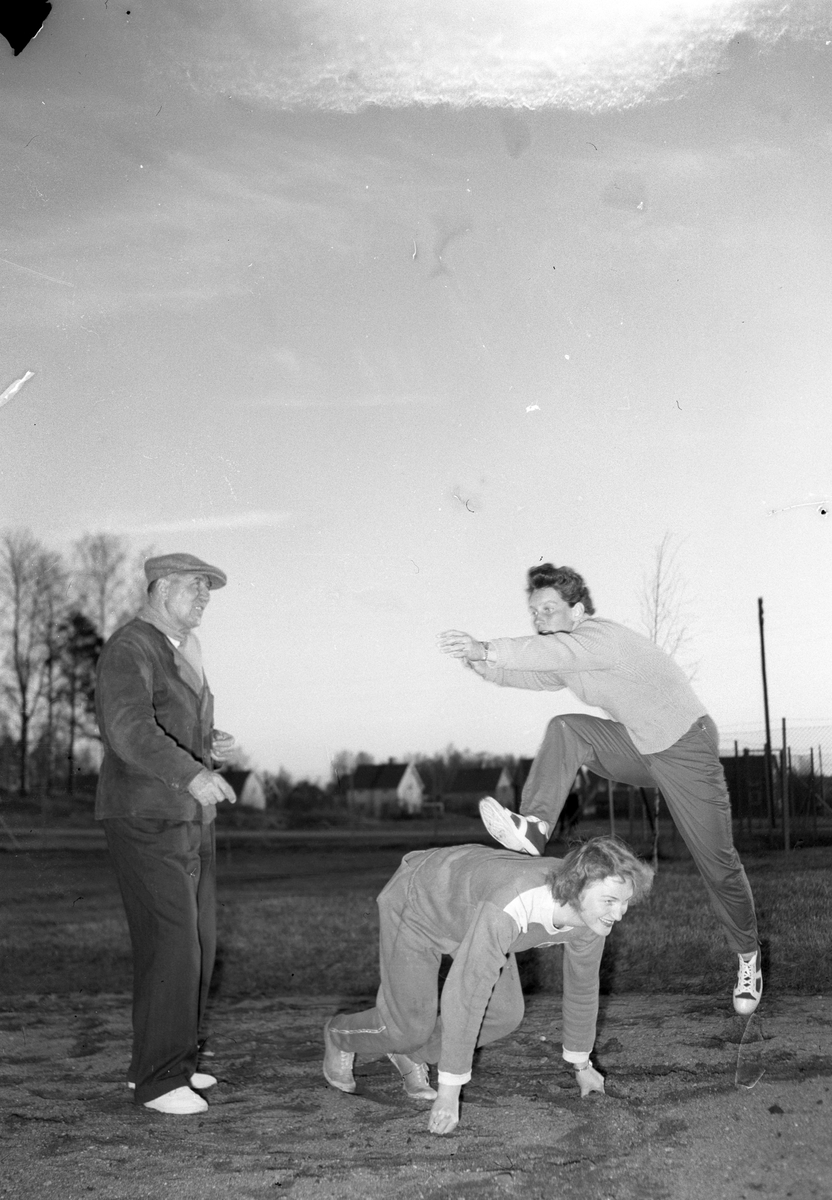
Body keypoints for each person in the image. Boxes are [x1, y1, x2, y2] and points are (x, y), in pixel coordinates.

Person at [438, 562, 762, 1018]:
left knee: (718, 864)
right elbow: (533, 673)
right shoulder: (569, 655)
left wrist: (487, 647)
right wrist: (480, 662)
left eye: (549, 609)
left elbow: (542, 656)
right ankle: (535, 825)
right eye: (534, 612)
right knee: (568, 729)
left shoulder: (599, 639)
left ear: (578, 609)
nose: (540, 619)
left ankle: (748, 956)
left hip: (686, 745)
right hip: (639, 744)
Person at [323, 836, 653, 1136]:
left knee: (505, 1013)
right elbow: (466, 992)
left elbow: (582, 989)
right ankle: (340, 1037)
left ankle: (409, 1053)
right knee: (408, 1026)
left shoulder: (590, 922)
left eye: (625, 902)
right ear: (577, 888)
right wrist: (449, 1092)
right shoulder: (514, 905)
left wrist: (583, 1066)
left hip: (470, 911)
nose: (619, 914)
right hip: (420, 901)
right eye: (610, 901)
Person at [95, 552, 238, 1115]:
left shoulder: (181, 652)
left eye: (208, 589)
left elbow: (165, 722)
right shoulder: (130, 646)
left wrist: (207, 744)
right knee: (171, 943)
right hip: (145, 814)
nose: (204, 598)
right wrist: (193, 772)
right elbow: (128, 729)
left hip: (187, 818)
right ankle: (157, 1082)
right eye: (195, 588)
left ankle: (169, 1064)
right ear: (159, 589)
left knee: (194, 942)